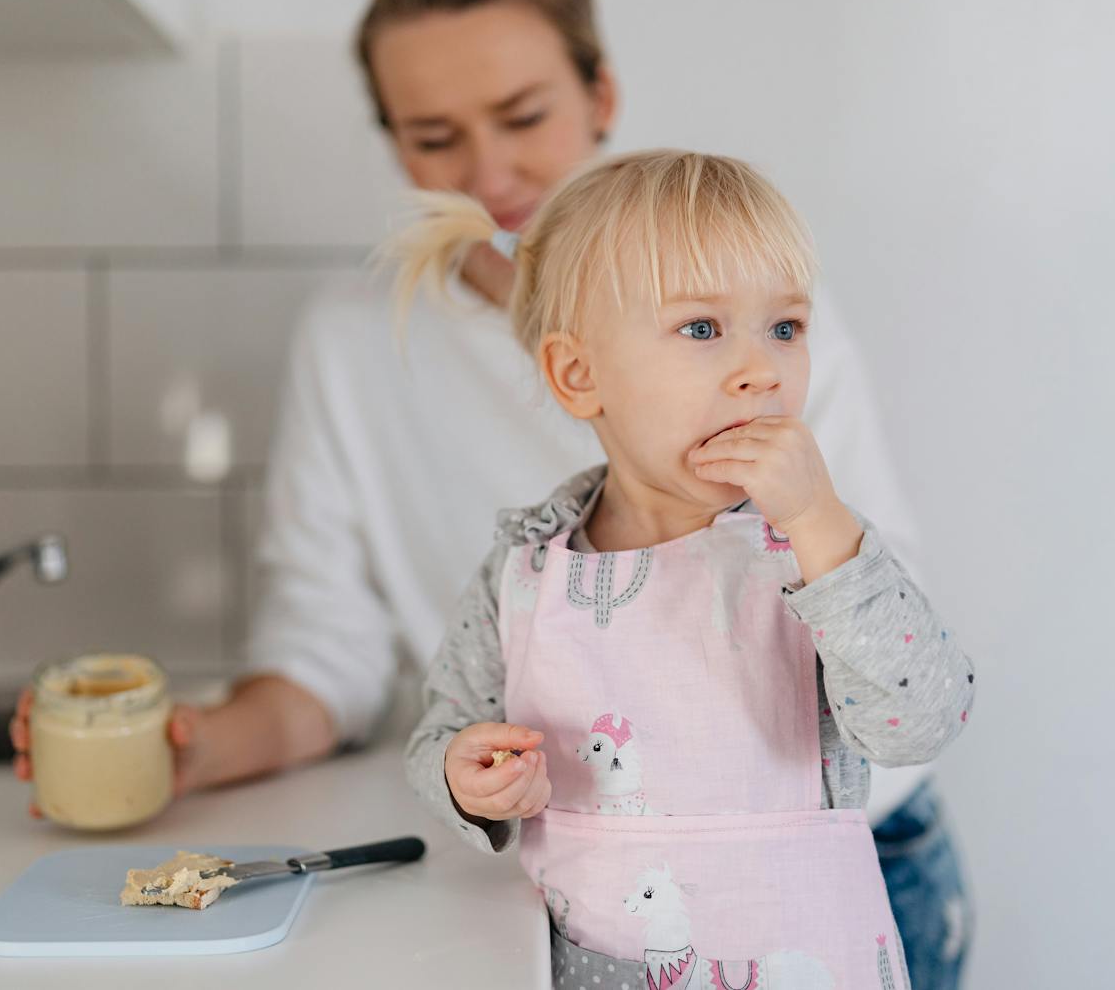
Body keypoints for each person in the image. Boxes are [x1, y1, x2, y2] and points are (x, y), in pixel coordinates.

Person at [11, 0, 973, 983]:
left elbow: (904, 680)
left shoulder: (762, 330)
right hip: (589, 916)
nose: (491, 171)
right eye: (433, 136)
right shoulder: (372, 365)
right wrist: (201, 745)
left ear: (600, 93)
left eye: (524, 116)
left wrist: (817, 542)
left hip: (836, 882)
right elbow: (339, 656)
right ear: (571, 378)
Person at [392, 148, 976, 986]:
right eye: (702, 328)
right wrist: (465, 777)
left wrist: (819, 522)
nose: (760, 368)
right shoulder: (525, 572)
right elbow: (439, 733)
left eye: (786, 327)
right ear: (578, 373)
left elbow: (923, 721)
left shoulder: (814, 553)